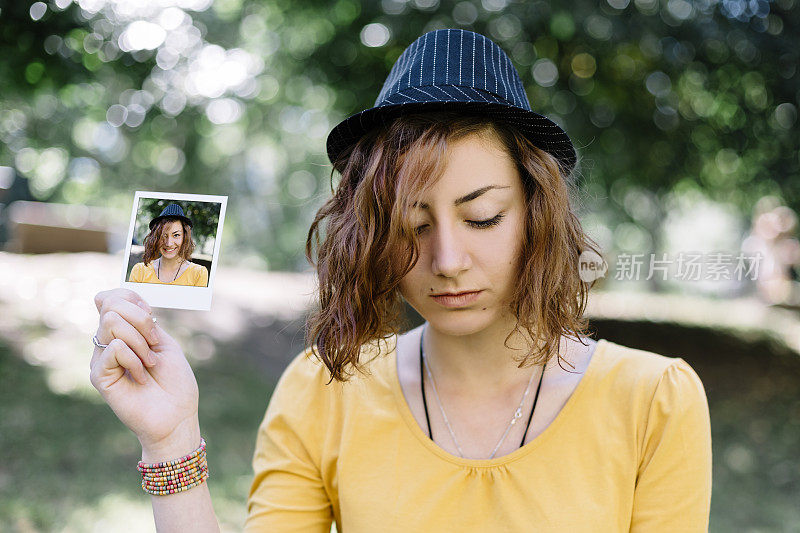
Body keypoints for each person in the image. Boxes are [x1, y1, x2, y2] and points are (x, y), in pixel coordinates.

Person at [90, 29, 712, 532]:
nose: (446, 259)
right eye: (411, 225)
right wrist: (172, 441)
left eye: (482, 217)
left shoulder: (654, 402)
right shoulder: (322, 391)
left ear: (536, 213)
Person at [128, 203, 210, 287]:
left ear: (185, 237)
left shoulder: (198, 273)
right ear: (156, 238)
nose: (168, 243)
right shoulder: (139, 271)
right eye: (163, 235)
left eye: (176, 235)